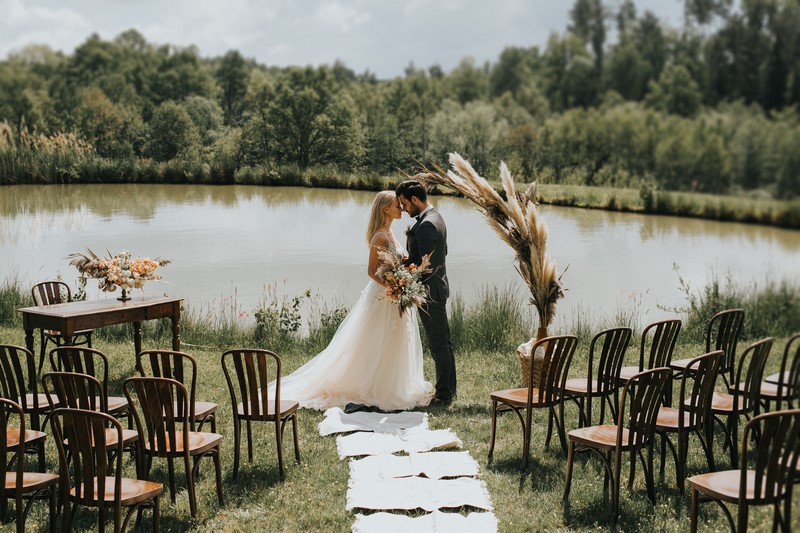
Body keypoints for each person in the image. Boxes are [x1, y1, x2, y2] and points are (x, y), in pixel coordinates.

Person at [269, 190, 433, 411]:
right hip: (384, 297)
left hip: (394, 296)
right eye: (397, 205)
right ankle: (373, 385)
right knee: (376, 340)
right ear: (386, 209)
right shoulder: (380, 236)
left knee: (393, 341)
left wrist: (404, 274)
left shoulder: (390, 233)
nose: (402, 208)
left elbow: (395, 264)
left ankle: (394, 384)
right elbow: (372, 271)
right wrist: (393, 287)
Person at [396, 179, 456, 406]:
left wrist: (403, 279)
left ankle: (443, 395)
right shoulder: (437, 217)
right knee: (444, 343)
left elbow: (424, 266)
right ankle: (449, 388)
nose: (403, 209)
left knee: (438, 345)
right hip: (438, 287)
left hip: (430, 292)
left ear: (414, 199)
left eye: (404, 204)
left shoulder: (427, 225)